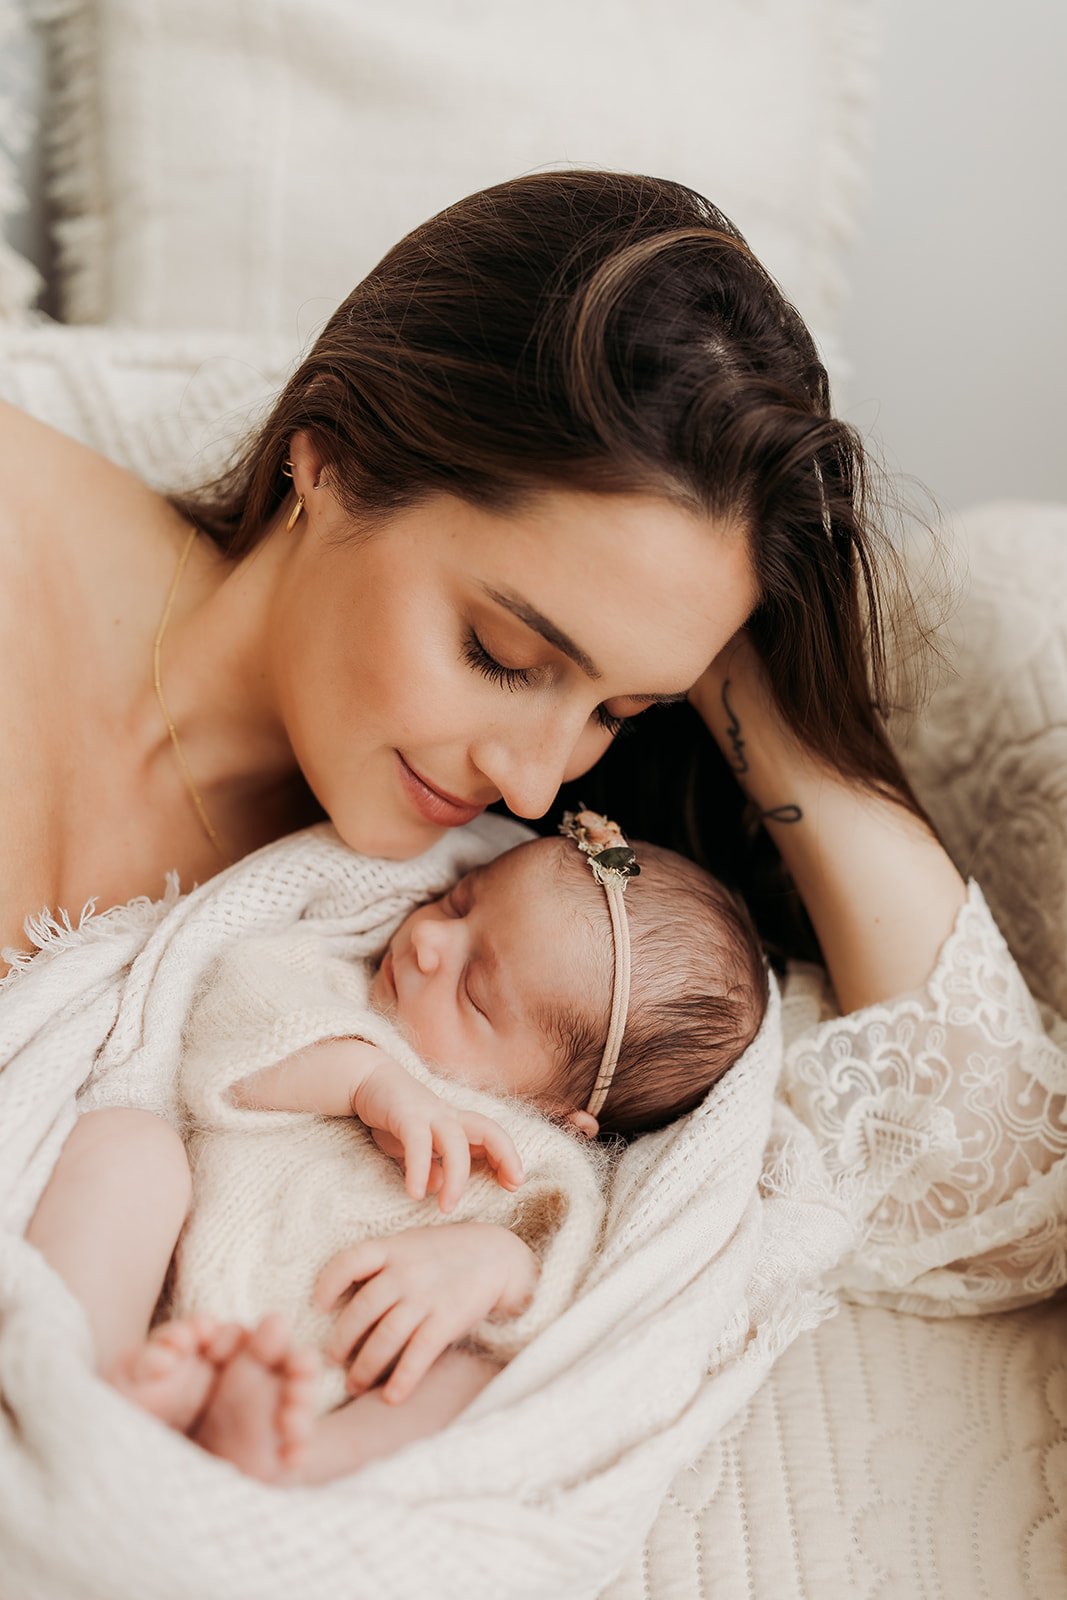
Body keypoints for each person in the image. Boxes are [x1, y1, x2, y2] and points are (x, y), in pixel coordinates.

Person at [3, 170, 1062, 1459]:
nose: (530, 781)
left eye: (615, 711)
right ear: (329, 458)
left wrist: (744, 680)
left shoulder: (480, 900)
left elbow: (991, 1192)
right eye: (503, 652)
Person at [26, 813, 769, 1483]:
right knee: (126, 1141)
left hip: (337, 1369)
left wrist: (493, 1265)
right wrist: (362, 1077)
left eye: (475, 993)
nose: (426, 943)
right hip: (166, 1281)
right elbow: (220, 1041)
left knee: (477, 1380)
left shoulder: (534, 1159)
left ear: (557, 1108)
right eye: (459, 901)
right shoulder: (334, 990)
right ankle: (92, 1373)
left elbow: (571, 1293)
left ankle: (299, 1461)